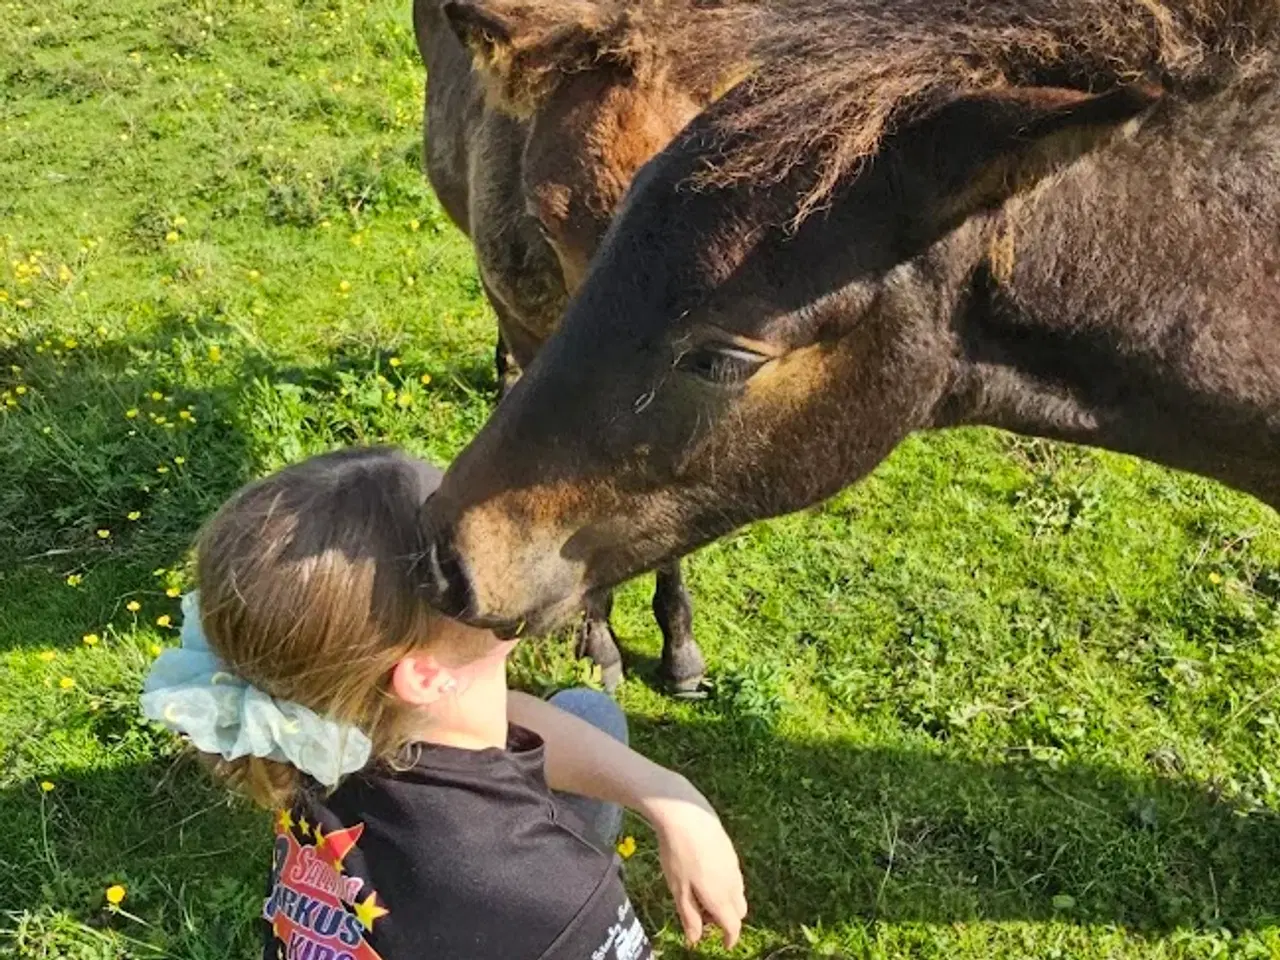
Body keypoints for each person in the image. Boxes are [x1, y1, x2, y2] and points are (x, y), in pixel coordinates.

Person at [140, 446, 746, 960]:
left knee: (589, 714)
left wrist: (672, 799)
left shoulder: (316, 729)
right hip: (507, 903)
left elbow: (504, 712)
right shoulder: (557, 898)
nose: (510, 526)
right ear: (426, 676)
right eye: (470, 546)